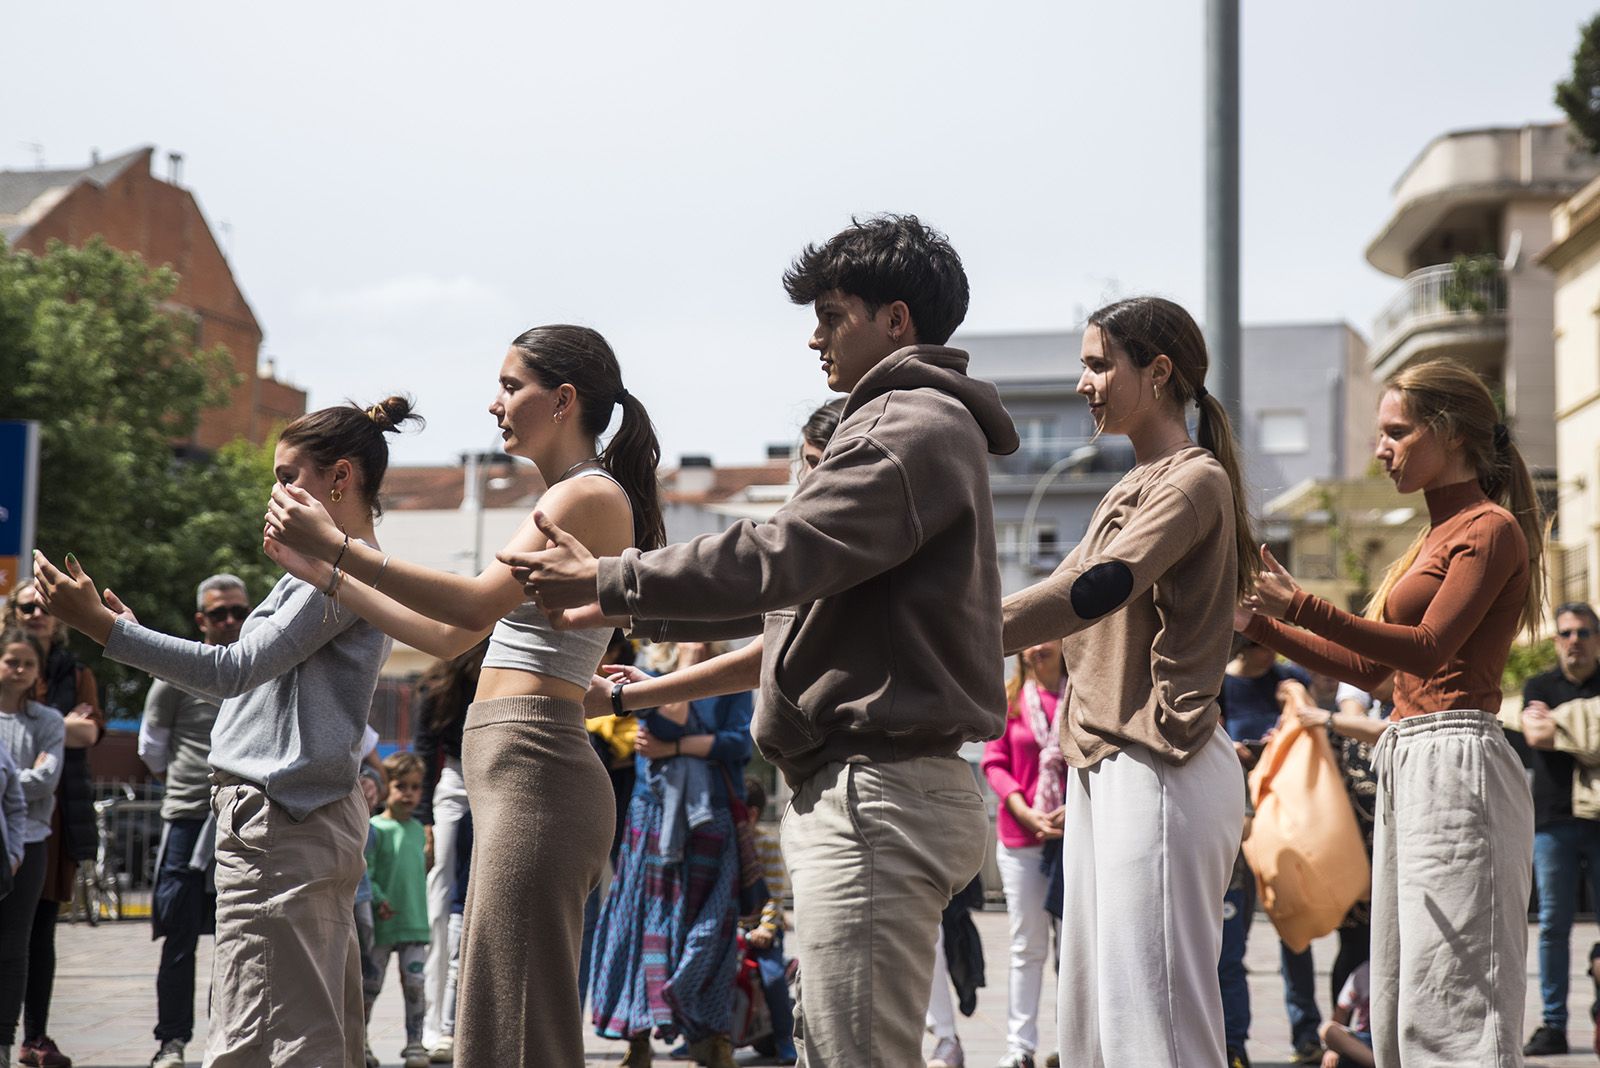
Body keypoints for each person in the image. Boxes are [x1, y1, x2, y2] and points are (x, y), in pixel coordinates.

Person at [504, 216, 1017, 1068]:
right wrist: (619, 603)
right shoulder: (911, 425)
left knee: (854, 1054)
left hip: (877, 790)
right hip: (876, 787)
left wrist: (612, 581)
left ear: (896, 320)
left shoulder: (904, 427)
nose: (815, 337)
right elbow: (787, 600)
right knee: (840, 1043)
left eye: (832, 315)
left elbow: (779, 554)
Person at [261, 326, 663, 1067]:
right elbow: (450, 638)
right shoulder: (571, 493)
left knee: (520, 1023)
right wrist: (329, 573)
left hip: (539, 771)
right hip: (524, 772)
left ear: (563, 400)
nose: (494, 404)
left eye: (511, 386)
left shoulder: (586, 493)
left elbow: (471, 605)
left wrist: (338, 549)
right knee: (502, 1012)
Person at [33, 395, 420, 1066]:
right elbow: (245, 680)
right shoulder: (332, 571)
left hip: (282, 821)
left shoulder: (336, 574)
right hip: (295, 818)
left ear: (341, 477)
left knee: (255, 1037)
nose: (276, 493)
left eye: (287, 476)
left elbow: (231, 671)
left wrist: (103, 628)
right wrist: (131, 633)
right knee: (303, 1030)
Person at [1238, 357, 1544, 1067]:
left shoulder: (1489, 528)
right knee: (1409, 987)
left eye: (1396, 432)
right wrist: (1259, 625)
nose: (1381, 449)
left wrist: (1299, 606)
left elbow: (1428, 650)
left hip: (1457, 760)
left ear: (1451, 432)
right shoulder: (1433, 537)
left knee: (1457, 994)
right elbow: (1379, 673)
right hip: (1415, 756)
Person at [999, 296, 1257, 1067]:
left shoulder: (1193, 481)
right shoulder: (1129, 486)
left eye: (1097, 364)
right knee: (1094, 1031)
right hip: (1103, 760)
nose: (1083, 383)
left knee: (1157, 1031)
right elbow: (1060, 595)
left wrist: (951, 632)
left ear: (1159, 371)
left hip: (1160, 759)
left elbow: (1098, 588)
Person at [588, 641, 753, 1068]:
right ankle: (638, 1036)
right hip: (654, 814)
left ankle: (709, 1035)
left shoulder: (731, 676)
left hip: (713, 814)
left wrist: (675, 749)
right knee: (643, 924)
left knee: (713, 929)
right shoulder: (652, 674)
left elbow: (738, 744)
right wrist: (686, 665)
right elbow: (668, 721)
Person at [139, 573, 250, 1068]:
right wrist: (188, 785)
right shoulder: (174, 674)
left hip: (243, 817)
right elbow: (151, 749)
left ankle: (226, 1042)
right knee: (179, 936)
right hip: (188, 817)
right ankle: (172, 1041)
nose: (230, 620)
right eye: (220, 613)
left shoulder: (260, 667)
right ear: (201, 619)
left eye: (239, 612)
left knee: (240, 940)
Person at [6, 583, 103, 1068]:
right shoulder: (8, 658)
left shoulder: (76, 671)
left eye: (44, 606)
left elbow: (90, 731)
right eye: (27, 606)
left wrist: (44, 724)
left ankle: (35, 1036)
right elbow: (72, 729)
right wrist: (59, 724)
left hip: (54, 816)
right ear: (12, 612)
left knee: (40, 928)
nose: (37, 613)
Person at [1218, 642, 1320, 1065]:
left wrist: (1294, 704)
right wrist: (1232, 749)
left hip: (1285, 821)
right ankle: (1232, 1042)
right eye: (1262, 645)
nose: (1270, 654)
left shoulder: (1289, 678)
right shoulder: (1220, 683)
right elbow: (1203, 733)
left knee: (1294, 932)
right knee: (1231, 940)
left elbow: (1315, 732)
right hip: (1236, 823)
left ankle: (1306, 1032)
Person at [1510, 602, 1600, 1057]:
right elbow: (1534, 735)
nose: (1574, 641)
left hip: (1599, 820)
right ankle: (1553, 1025)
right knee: (1552, 927)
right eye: (1566, 633)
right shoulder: (1538, 685)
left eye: (1583, 633)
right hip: (1551, 822)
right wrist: (1590, 724)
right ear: (1555, 640)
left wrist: (1558, 722)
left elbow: (1548, 731)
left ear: (1597, 639)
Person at [979, 643, 1066, 1068]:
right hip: (1021, 838)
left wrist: (1076, 808)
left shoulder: (1083, 695)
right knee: (1026, 944)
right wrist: (1024, 809)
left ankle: (1072, 1043)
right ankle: (1020, 1046)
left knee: (1076, 947)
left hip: (1073, 839)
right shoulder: (1008, 699)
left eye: (1047, 637)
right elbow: (994, 763)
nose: (1037, 647)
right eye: (1030, 640)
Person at [411, 639, 485, 1061]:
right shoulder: (438, 689)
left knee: (472, 908)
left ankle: (456, 1024)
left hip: (496, 780)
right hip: (455, 785)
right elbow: (425, 755)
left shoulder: (505, 674)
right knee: (439, 904)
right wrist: (424, 820)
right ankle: (433, 1024)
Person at [0, 630, 64, 1068]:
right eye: (11, 661)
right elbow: (32, 778)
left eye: (28, 663)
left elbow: (46, 782)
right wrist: (20, 776)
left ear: (39, 672)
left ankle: (5, 1039)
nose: (19, 670)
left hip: (32, 841)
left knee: (14, 945)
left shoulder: (48, 721)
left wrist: (6, 780)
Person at [365, 751, 431, 1068]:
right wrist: (379, 899)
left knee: (415, 985)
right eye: (401, 786)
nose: (408, 794)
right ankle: (361, 1041)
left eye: (415, 787)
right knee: (370, 986)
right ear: (386, 787)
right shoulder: (375, 828)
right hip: (382, 923)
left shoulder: (420, 831)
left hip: (414, 923)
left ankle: (415, 1043)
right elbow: (366, 871)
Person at [738, 776, 795, 1067]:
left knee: (772, 977)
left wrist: (766, 928)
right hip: (733, 931)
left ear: (751, 814)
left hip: (761, 931)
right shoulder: (727, 844)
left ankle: (785, 1037)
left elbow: (774, 895)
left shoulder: (767, 845)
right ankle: (698, 1037)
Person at [1318, 961, 1373, 1068]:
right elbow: (1341, 1012)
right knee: (1328, 1030)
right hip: (1365, 1042)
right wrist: (1334, 1048)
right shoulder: (1364, 972)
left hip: (1395, 1040)